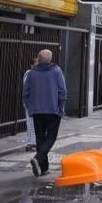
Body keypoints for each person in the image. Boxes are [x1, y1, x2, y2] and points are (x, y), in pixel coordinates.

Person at [23, 49, 67, 177]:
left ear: (39, 58)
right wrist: (61, 106)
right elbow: (62, 90)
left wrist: (29, 106)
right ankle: (38, 158)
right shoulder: (56, 71)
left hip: (37, 111)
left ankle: (43, 168)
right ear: (50, 59)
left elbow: (25, 93)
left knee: (40, 138)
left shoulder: (31, 73)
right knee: (51, 137)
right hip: (53, 110)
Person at [24, 57, 39, 152]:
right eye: (37, 63)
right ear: (32, 65)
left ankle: (34, 142)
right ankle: (30, 143)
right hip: (31, 103)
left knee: (35, 123)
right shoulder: (29, 74)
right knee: (31, 123)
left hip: (36, 103)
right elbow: (27, 90)